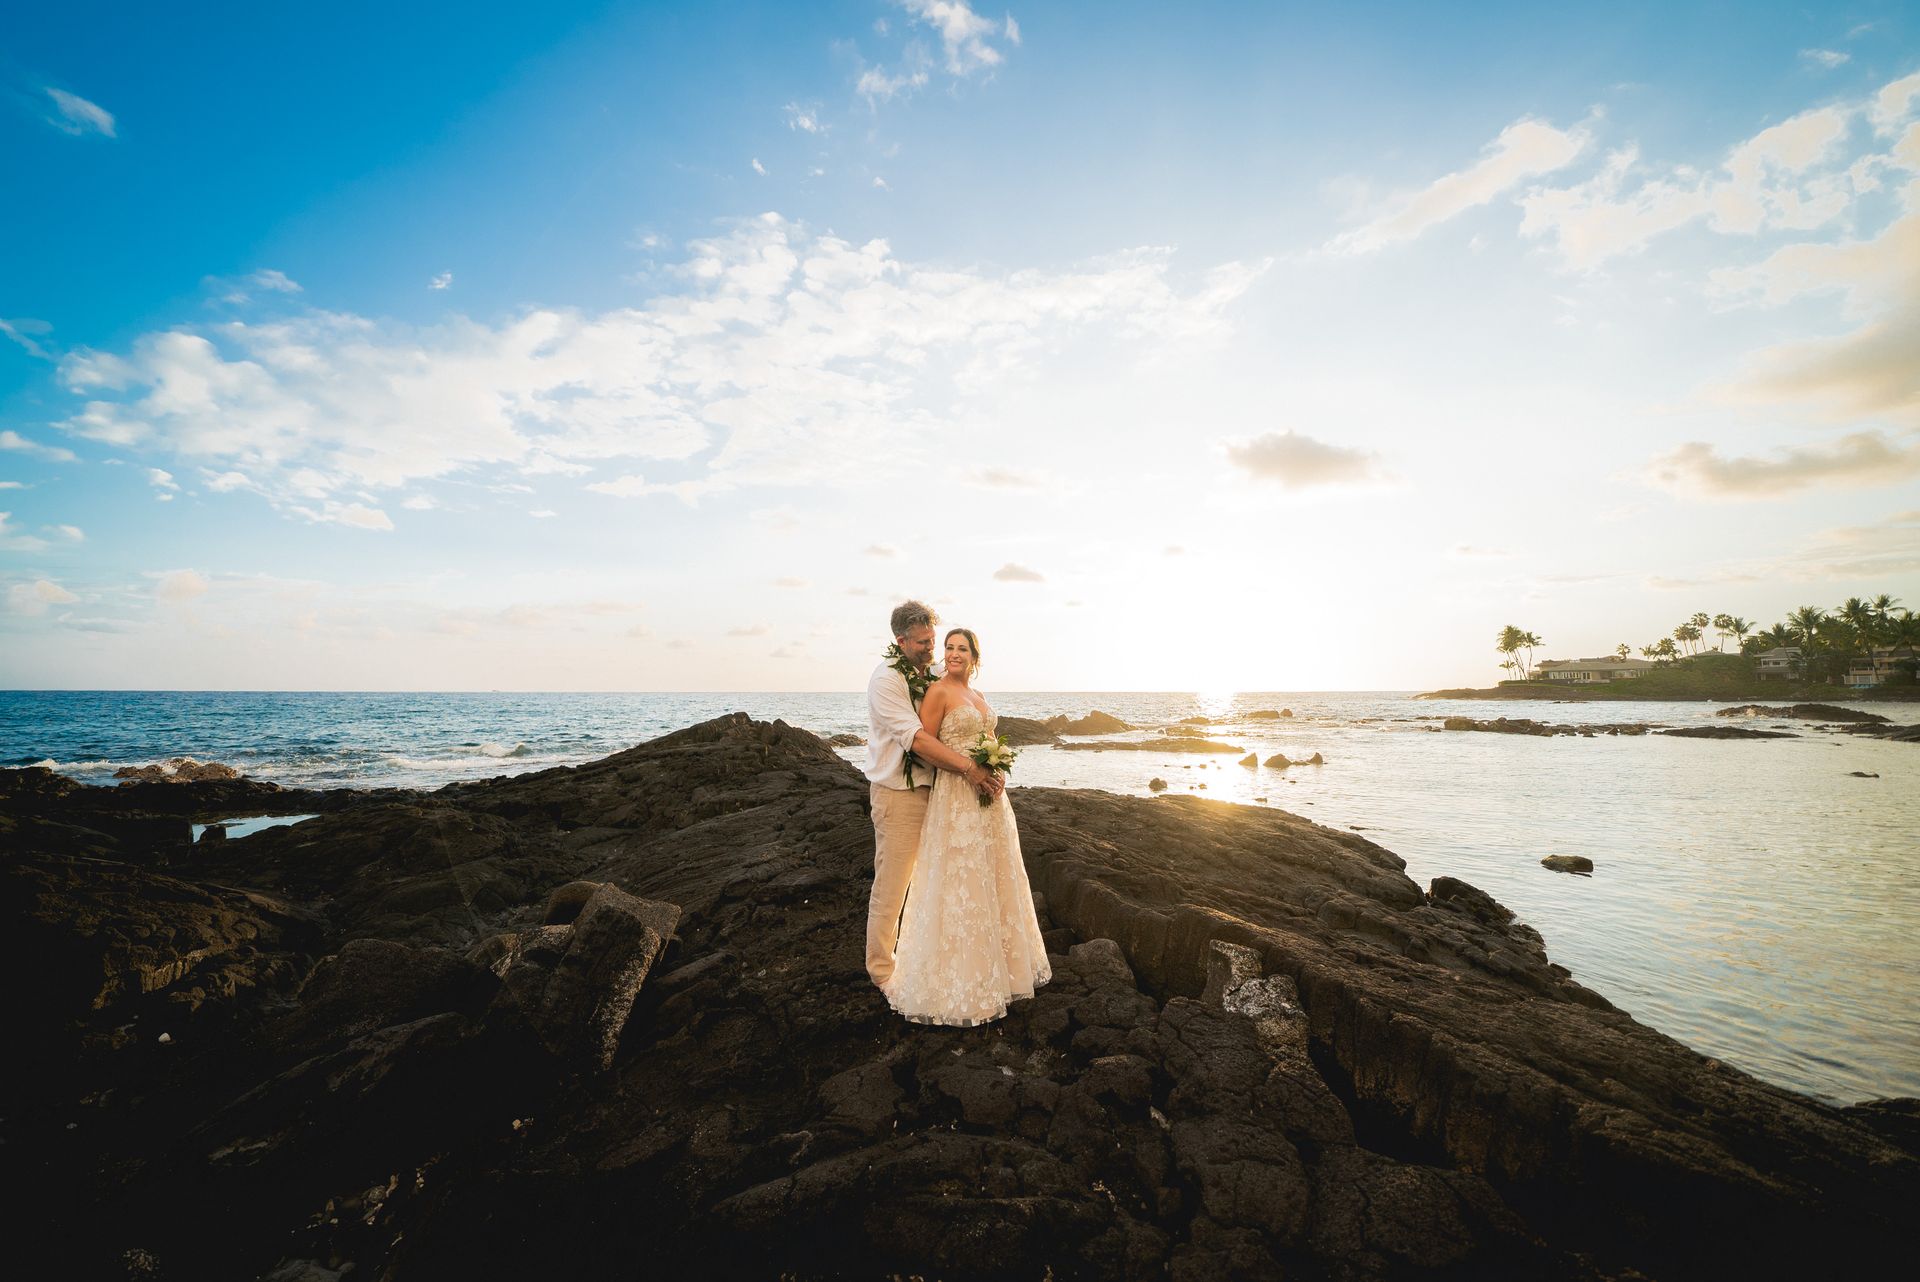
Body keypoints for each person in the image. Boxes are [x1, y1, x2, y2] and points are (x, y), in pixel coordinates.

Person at [881, 626, 1051, 1026]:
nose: (953, 654)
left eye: (962, 649)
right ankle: (960, 981)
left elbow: (990, 737)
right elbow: (925, 744)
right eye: (949, 648)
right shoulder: (939, 692)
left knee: (994, 876)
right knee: (961, 881)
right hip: (957, 797)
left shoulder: (977, 695)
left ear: (975, 656)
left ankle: (1005, 973)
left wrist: (997, 769)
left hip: (990, 800)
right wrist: (968, 771)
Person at [865, 600, 1002, 989]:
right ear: (900, 640)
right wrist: (971, 769)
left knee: (939, 879)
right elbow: (919, 741)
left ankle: (931, 959)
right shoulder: (887, 681)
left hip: (943, 794)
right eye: (924, 643)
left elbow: (961, 692)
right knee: (893, 884)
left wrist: (990, 758)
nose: (933, 650)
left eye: (933, 641)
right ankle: (882, 973)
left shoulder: (930, 671)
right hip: (899, 793)